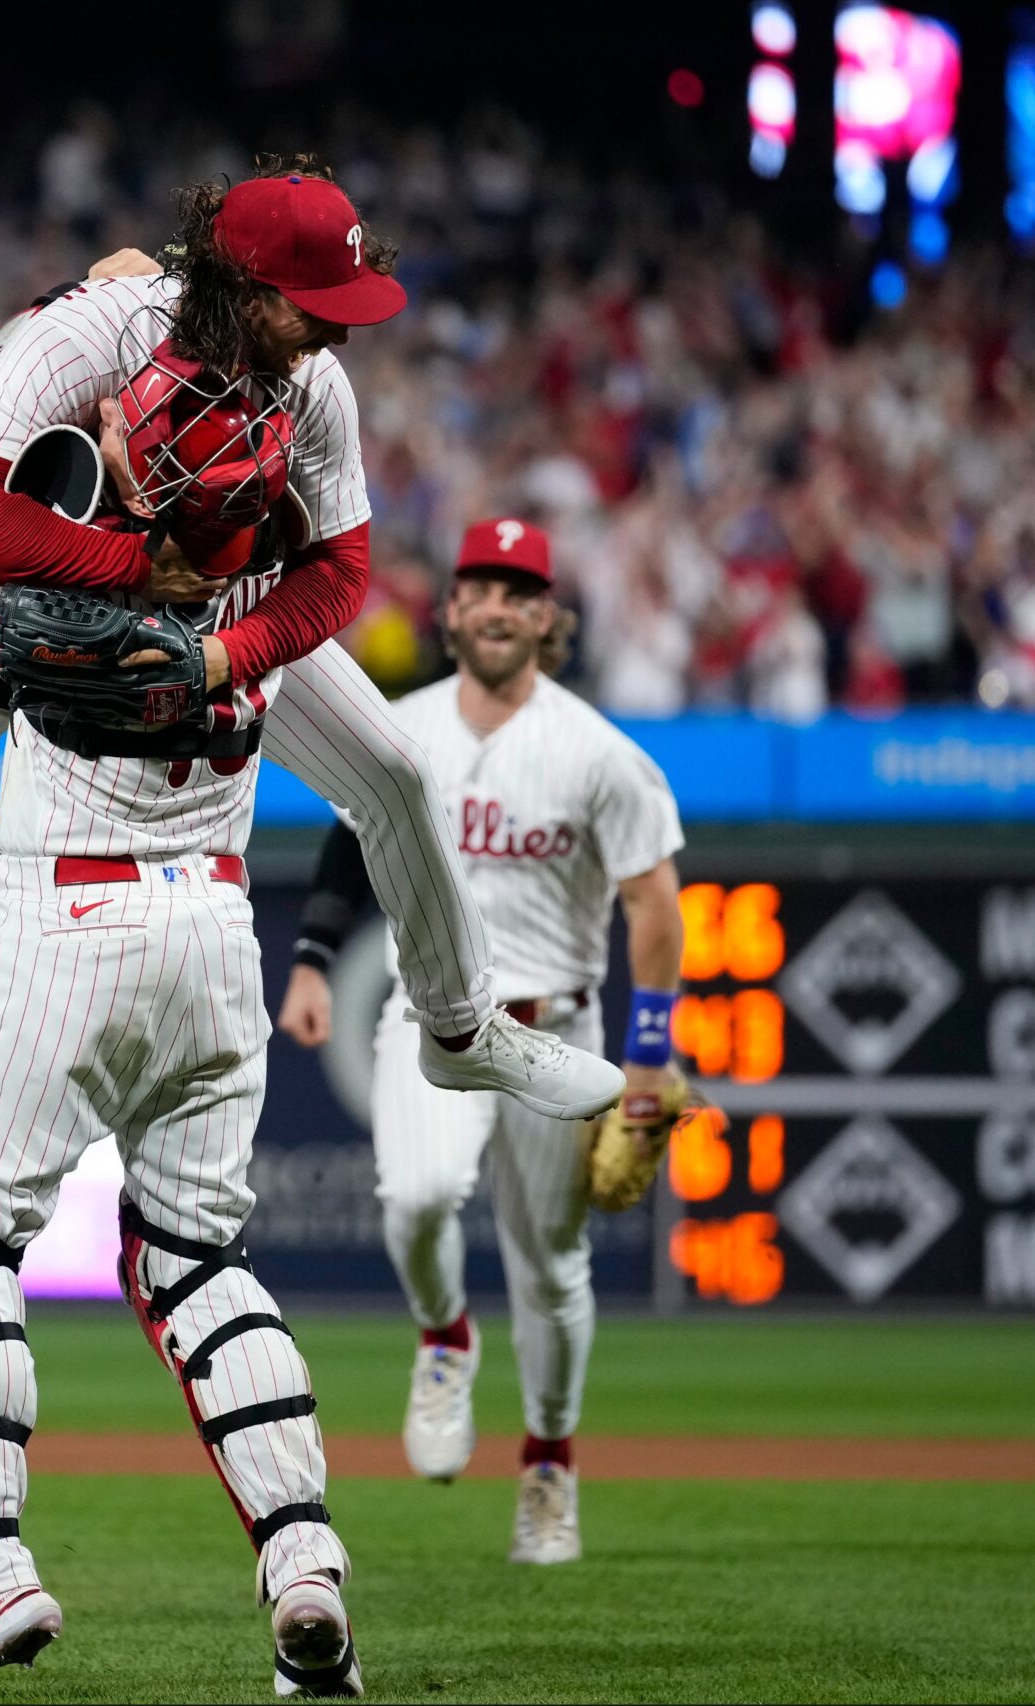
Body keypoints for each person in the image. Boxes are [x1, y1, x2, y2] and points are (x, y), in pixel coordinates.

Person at [0, 161, 621, 1261]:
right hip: (4, 580)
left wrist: (234, 650)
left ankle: (462, 1025)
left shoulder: (313, 382)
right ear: (240, 286)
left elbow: (338, 575)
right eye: (309, 306)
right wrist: (129, 562)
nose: (333, 332)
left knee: (396, 771)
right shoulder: (97, 327)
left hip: (200, 596)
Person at [0, 330, 378, 1699]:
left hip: (67, 913)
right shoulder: (275, 568)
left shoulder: (69, 541)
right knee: (198, 1261)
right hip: (217, 921)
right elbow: (325, 563)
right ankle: (304, 1555)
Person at [278, 517, 686, 1565]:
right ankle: (445, 1335)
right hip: (432, 1019)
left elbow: (653, 900)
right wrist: (315, 959)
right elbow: (345, 833)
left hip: (560, 1027)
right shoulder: (401, 724)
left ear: (548, 616)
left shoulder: (600, 750)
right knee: (416, 1201)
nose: (499, 604)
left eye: (520, 589)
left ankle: (548, 1466)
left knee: (552, 1268)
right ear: (450, 610)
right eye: (480, 587)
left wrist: (646, 1051)